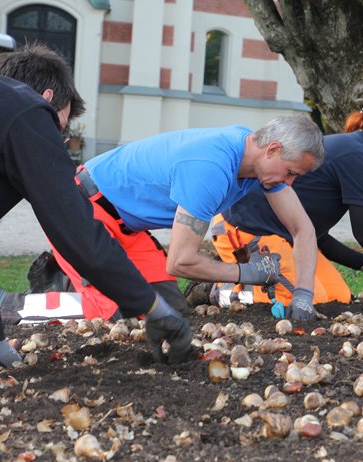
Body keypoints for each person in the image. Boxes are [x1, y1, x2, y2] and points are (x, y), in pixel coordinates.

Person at [0, 44, 192, 368]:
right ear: (48, 98)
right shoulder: (28, 111)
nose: (59, 136)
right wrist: (153, 308)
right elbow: (75, 229)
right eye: (63, 123)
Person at [50, 116, 325, 322]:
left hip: (126, 228)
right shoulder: (211, 169)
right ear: (273, 149)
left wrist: (303, 295)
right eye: (291, 172)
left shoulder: (258, 164)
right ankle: (24, 300)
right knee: (114, 319)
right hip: (81, 210)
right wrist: (246, 273)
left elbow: (302, 229)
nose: (289, 183)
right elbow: (180, 261)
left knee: (169, 313)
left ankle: (78, 276)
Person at [207, 106, 363, 306]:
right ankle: (220, 292)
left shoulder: (352, 150)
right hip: (246, 229)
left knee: (337, 299)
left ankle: (238, 284)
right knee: (308, 300)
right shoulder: (359, 157)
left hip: (282, 237)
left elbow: (318, 238)